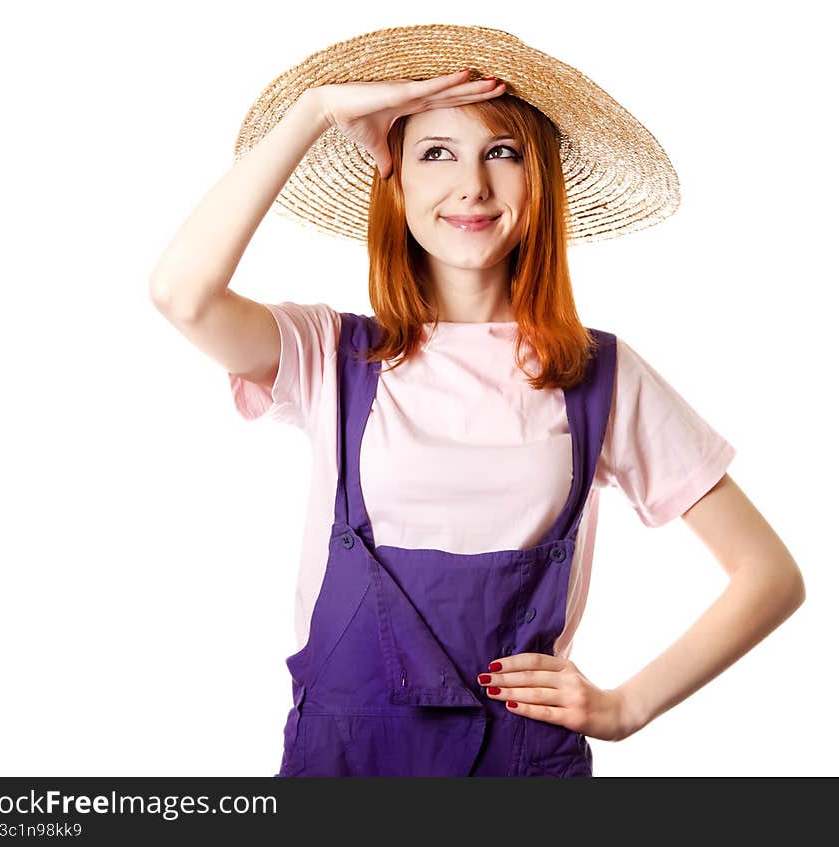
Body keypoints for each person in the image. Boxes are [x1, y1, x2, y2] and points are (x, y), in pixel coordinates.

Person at [149, 25, 805, 777]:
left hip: (522, 768)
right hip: (343, 767)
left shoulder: (600, 374)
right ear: (393, 181)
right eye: (436, 153)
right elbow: (181, 294)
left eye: (502, 152)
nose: (473, 185)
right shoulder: (331, 354)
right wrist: (313, 110)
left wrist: (627, 705)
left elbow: (769, 574)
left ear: (540, 180)